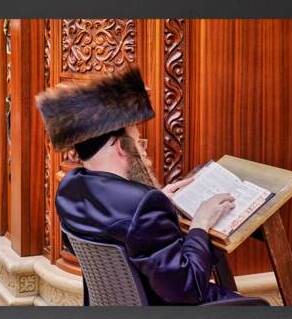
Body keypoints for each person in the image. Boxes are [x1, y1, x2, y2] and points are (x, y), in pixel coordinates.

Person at [36, 68, 254, 305]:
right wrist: (200, 224)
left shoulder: (69, 188)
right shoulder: (142, 205)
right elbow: (188, 289)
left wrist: (156, 202)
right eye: (139, 142)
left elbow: (116, 225)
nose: (143, 150)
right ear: (121, 146)